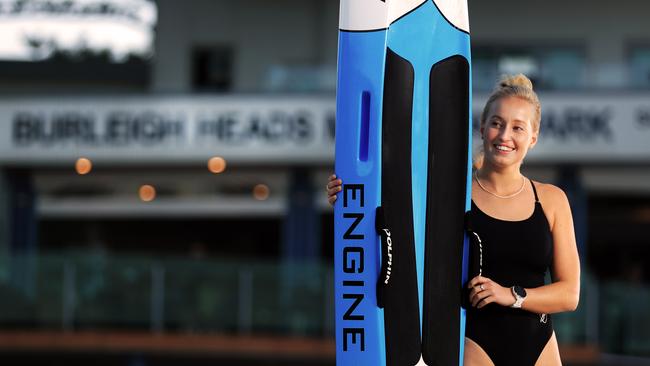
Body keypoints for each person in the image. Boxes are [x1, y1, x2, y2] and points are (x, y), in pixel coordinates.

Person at [326, 74, 580, 366]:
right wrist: (347, 200)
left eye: (518, 128)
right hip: (474, 341)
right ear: (482, 127)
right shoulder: (451, 194)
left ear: (533, 138)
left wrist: (511, 295)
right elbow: (391, 228)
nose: (505, 136)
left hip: (540, 345)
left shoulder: (551, 199)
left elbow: (569, 294)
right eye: (497, 123)